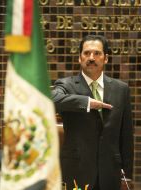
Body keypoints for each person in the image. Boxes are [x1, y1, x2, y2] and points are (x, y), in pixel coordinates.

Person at [52, 35, 133, 190]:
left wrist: (127, 176)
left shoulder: (121, 89)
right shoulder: (66, 85)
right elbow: (52, 99)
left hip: (111, 174)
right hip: (77, 172)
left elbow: (126, 136)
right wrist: (87, 102)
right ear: (79, 58)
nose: (91, 58)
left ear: (106, 58)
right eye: (86, 53)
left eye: (97, 53)